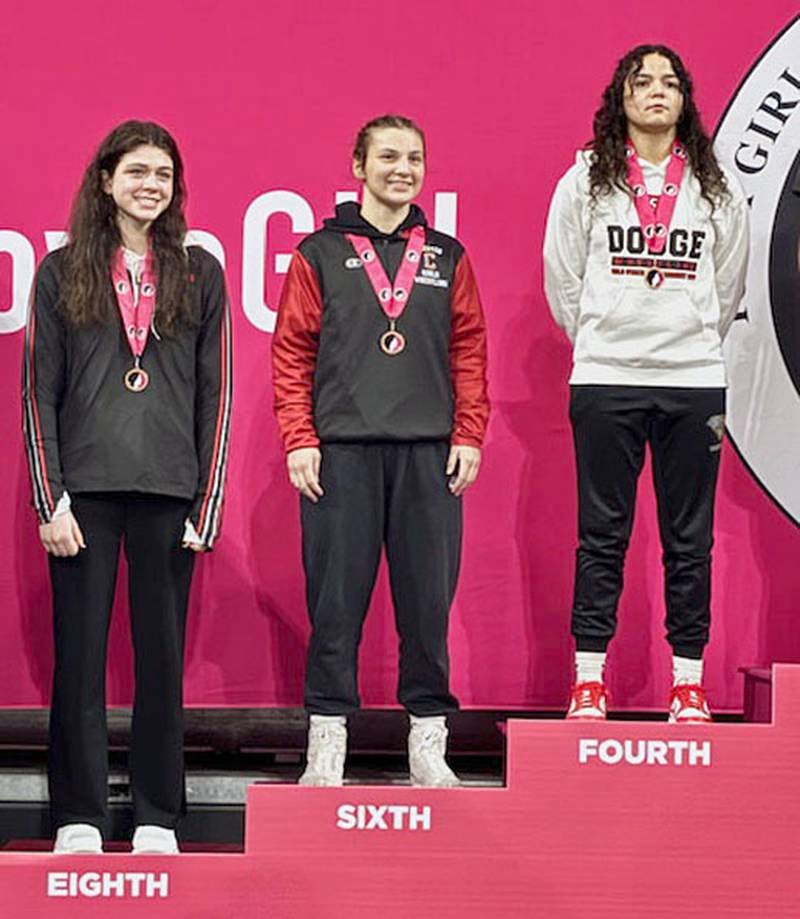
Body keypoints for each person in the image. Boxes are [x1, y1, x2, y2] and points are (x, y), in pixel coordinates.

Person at [22, 121, 232, 853]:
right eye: (137, 171)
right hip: (83, 496)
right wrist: (50, 499)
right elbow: (38, 392)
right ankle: (77, 814)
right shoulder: (62, 271)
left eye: (163, 174)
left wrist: (207, 500)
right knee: (79, 661)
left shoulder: (199, 271)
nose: (151, 185)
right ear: (106, 181)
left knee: (160, 664)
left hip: (169, 494)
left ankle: (156, 816)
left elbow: (217, 394)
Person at [272, 114, 489, 786]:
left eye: (415, 158)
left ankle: (428, 741)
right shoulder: (318, 253)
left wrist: (469, 432)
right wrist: (300, 438)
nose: (403, 169)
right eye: (389, 156)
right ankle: (326, 741)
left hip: (429, 454)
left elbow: (469, 348)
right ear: (359, 167)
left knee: (427, 605)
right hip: (341, 454)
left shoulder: (447, 255)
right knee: (335, 605)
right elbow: (292, 350)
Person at [543, 45, 748, 723]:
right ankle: (588, 680)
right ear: (621, 97)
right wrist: (604, 338)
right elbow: (563, 278)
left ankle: (688, 682)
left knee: (690, 540)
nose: (656, 91)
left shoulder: (716, 184)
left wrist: (689, 336)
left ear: (685, 99)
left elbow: (728, 284)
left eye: (669, 82)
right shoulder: (585, 181)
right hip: (607, 377)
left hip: (694, 380)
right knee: (602, 535)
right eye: (642, 81)